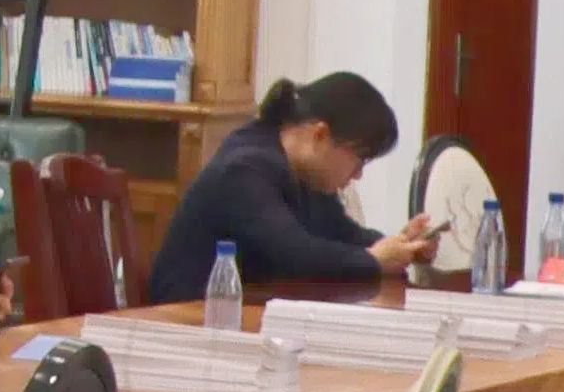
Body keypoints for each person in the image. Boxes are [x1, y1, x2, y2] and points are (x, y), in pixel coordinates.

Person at [151, 72, 439, 297]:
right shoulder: (244, 169)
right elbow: (294, 255)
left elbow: (341, 233)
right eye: (359, 159)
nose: (358, 175)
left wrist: (400, 246)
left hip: (250, 310)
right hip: (190, 317)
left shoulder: (302, 170)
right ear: (320, 136)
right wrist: (374, 260)